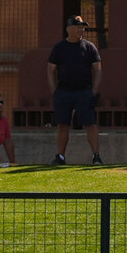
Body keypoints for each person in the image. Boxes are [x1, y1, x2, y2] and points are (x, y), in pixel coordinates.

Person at [47, 14, 103, 165]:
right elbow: (51, 70)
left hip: (84, 91)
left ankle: (96, 156)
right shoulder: (59, 48)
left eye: (82, 27)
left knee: (90, 123)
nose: (81, 30)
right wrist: (54, 91)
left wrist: (94, 91)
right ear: (69, 28)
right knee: (62, 124)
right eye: (78, 27)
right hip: (63, 92)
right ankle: (60, 156)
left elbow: (97, 69)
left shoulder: (89, 47)